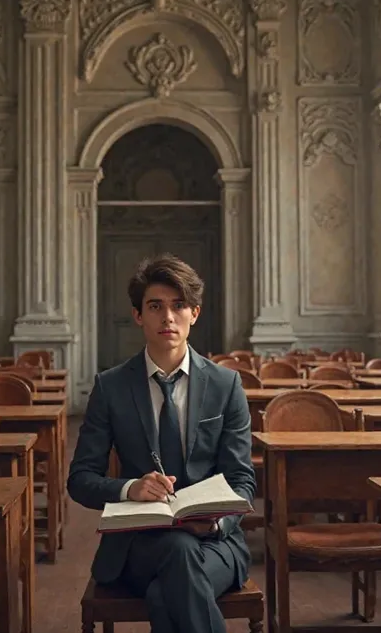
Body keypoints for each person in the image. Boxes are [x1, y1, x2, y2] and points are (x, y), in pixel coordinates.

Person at [68, 253, 256, 633]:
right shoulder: (111, 387)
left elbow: (243, 480)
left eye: (178, 306)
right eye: (155, 307)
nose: (167, 317)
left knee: (165, 591)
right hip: (140, 545)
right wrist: (129, 488)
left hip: (215, 544)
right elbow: (80, 479)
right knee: (176, 552)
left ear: (194, 313)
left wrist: (215, 524)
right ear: (138, 315)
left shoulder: (226, 385)